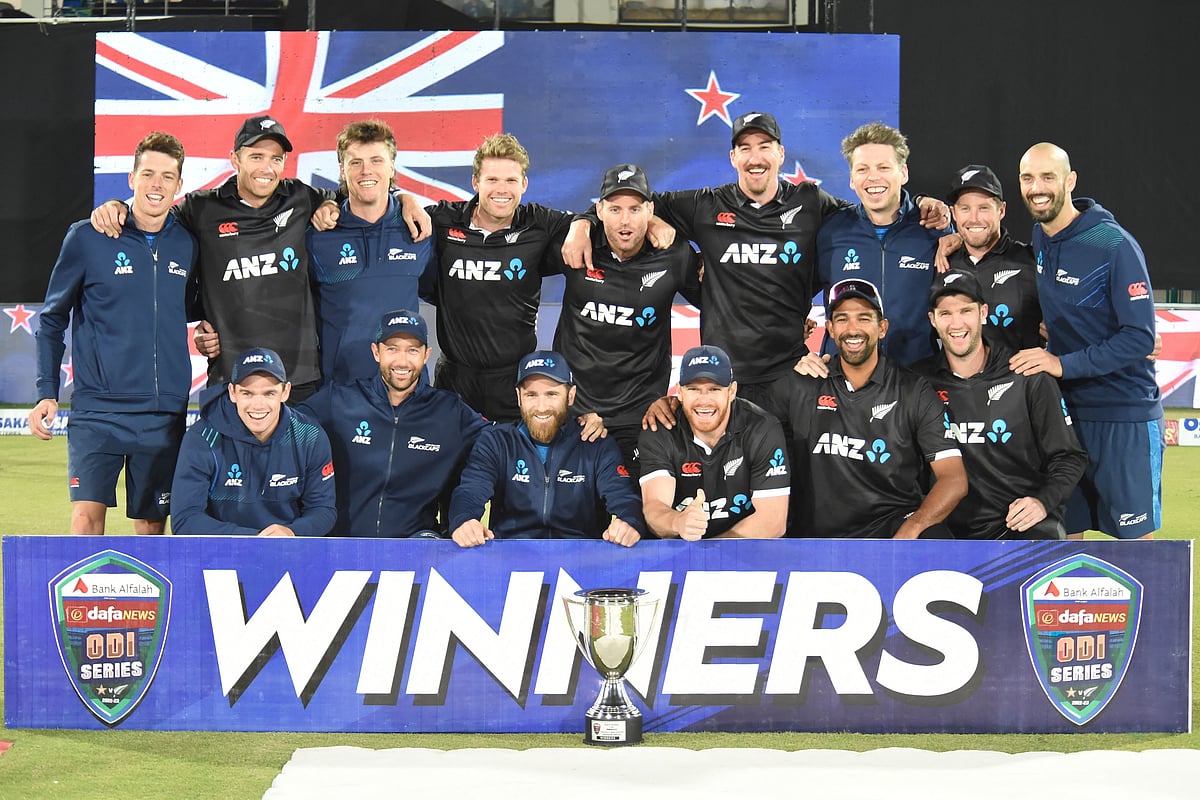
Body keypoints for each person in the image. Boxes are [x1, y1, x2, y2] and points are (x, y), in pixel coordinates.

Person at [564, 112, 949, 421]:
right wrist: (584, 222)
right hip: (724, 376)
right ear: (733, 158)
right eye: (744, 148)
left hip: (793, 372)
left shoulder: (811, 202)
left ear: (781, 154)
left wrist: (926, 207)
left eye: (764, 146)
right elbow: (631, 204)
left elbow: (869, 215)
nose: (755, 157)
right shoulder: (706, 205)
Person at [90, 115, 430, 402]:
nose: (266, 168)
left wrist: (404, 198)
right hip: (231, 380)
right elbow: (155, 214)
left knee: (300, 480)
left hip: (300, 382)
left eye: (276, 158)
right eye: (256, 156)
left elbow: (358, 190)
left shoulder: (303, 198)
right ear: (235, 159)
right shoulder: (202, 208)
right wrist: (120, 205)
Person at [31, 131, 197, 535]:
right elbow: (52, 318)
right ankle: (85, 602)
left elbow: (198, 310)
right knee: (87, 518)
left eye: (167, 177)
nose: (157, 185)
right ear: (131, 178)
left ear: (179, 185)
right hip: (98, 410)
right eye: (148, 174)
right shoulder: (88, 236)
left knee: (152, 523)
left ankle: (148, 602)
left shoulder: (189, 243)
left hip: (163, 412)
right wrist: (46, 391)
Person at [1010, 143, 1162, 539]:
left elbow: (1140, 337)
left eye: (1048, 177)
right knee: (1065, 541)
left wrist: (1061, 363)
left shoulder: (1114, 245)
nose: (1037, 187)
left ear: (1070, 181)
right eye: (1028, 178)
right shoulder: (1040, 238)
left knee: (1136, 552)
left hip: (1122, 414)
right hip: (1064, 418)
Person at [776, 279, 967, 538]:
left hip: (891, 530)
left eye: (864, 318)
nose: (853, 329)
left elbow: (953, 479)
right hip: (816, 537)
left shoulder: (913, 390)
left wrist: (913, 529)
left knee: (935, 538)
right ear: (830, 329)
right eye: (842, 319)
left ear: (882, 328)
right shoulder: (801, 384)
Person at [914, 271, 1088, 539]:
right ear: (933, 320)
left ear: (983, 313)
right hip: (946, 528)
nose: (956, 323)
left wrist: (1042, 502)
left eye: (966, 311)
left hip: (1016, 525)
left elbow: (1069, 456)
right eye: (945, 313)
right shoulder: (917, 383)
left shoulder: (1027, 374)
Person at [552, 163, 700, 475]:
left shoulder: (675, 255)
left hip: (642, 417)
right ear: (600, 209)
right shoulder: (576, 245)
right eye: (615, 209)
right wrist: (580, 224)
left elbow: (722, 304)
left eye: (635, 209)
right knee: (571, 519)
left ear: (650, 210)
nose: (625, 220)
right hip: (577, 413)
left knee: (640, 517)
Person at [427, 133, 587, 423]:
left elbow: (596, 219)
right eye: (492, 180)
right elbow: (389, 216)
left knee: (516, 467)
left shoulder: (538, 224)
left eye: (511, 181)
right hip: (454, 381)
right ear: (475, 183)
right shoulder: (443, 221)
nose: (502, 190)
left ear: (524, 184)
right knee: (451, 467)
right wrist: (403, 198)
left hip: (513, 384)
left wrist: (581, 225)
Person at [299, 310, 489, 537]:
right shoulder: (337, 401)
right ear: (376, 352)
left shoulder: (450, 411)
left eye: (412, 350)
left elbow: (500, 444)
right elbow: (283, 428)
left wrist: (464, 515)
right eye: (392, 349)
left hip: (413, 550)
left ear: (426, 355)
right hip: (341, 548)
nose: (402, 361)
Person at [448, 350, 644, 546]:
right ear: (519, 397)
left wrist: (629, 521)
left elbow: (623, 496)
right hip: (511, 558)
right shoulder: (497, 442)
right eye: (531, 395)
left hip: (581, 561)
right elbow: (470, 491)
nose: (541, 407)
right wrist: (464, 520)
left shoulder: (596, 443)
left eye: (552, 394)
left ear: (570, 395)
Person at [307, 120, 437, 385]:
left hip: (408, 394)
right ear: (342, 170)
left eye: (376, 160)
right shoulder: (317, 237)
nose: (366, 171)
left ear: (392, 167)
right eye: (355, 162)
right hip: (340, 395)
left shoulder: (419, 231)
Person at [817, 122, 946, 367]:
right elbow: (792, 295)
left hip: (917, 380)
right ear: (852, 179)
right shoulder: (829, 232)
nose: (873, 177)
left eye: (883, 167)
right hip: (845, 384)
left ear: (904, 173)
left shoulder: (935, 229)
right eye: (862, 169)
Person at [170, 347, 336, 536]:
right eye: (247, 393)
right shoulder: (203, 437)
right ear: (232, 392)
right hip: (222, 553)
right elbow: (185, 519)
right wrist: (252, 540)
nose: (258, 405)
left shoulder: (309, 435)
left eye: (269, 393)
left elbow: (323, 509)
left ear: (285, 392)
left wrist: (292, 532)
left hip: (287, 552)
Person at [638, 345, 790, 540]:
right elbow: (654, 509)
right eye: (694, 389)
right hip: (680, 553)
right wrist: (678, 522)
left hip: (744, 555)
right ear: (680, 392)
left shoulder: (762, 429)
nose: (704, 401)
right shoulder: (660, 430)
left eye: (714, 389)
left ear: (732, 391)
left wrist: (709, 557)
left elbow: (772, 523)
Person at [942, 164, 1043, 351]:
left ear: (1001, 210)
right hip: (955, 380)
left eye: (983, 208)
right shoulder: (941, 262)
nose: (974, 218)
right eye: (965, 209)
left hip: (1020, 378)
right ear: (953, 212)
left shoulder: (1031, 262)